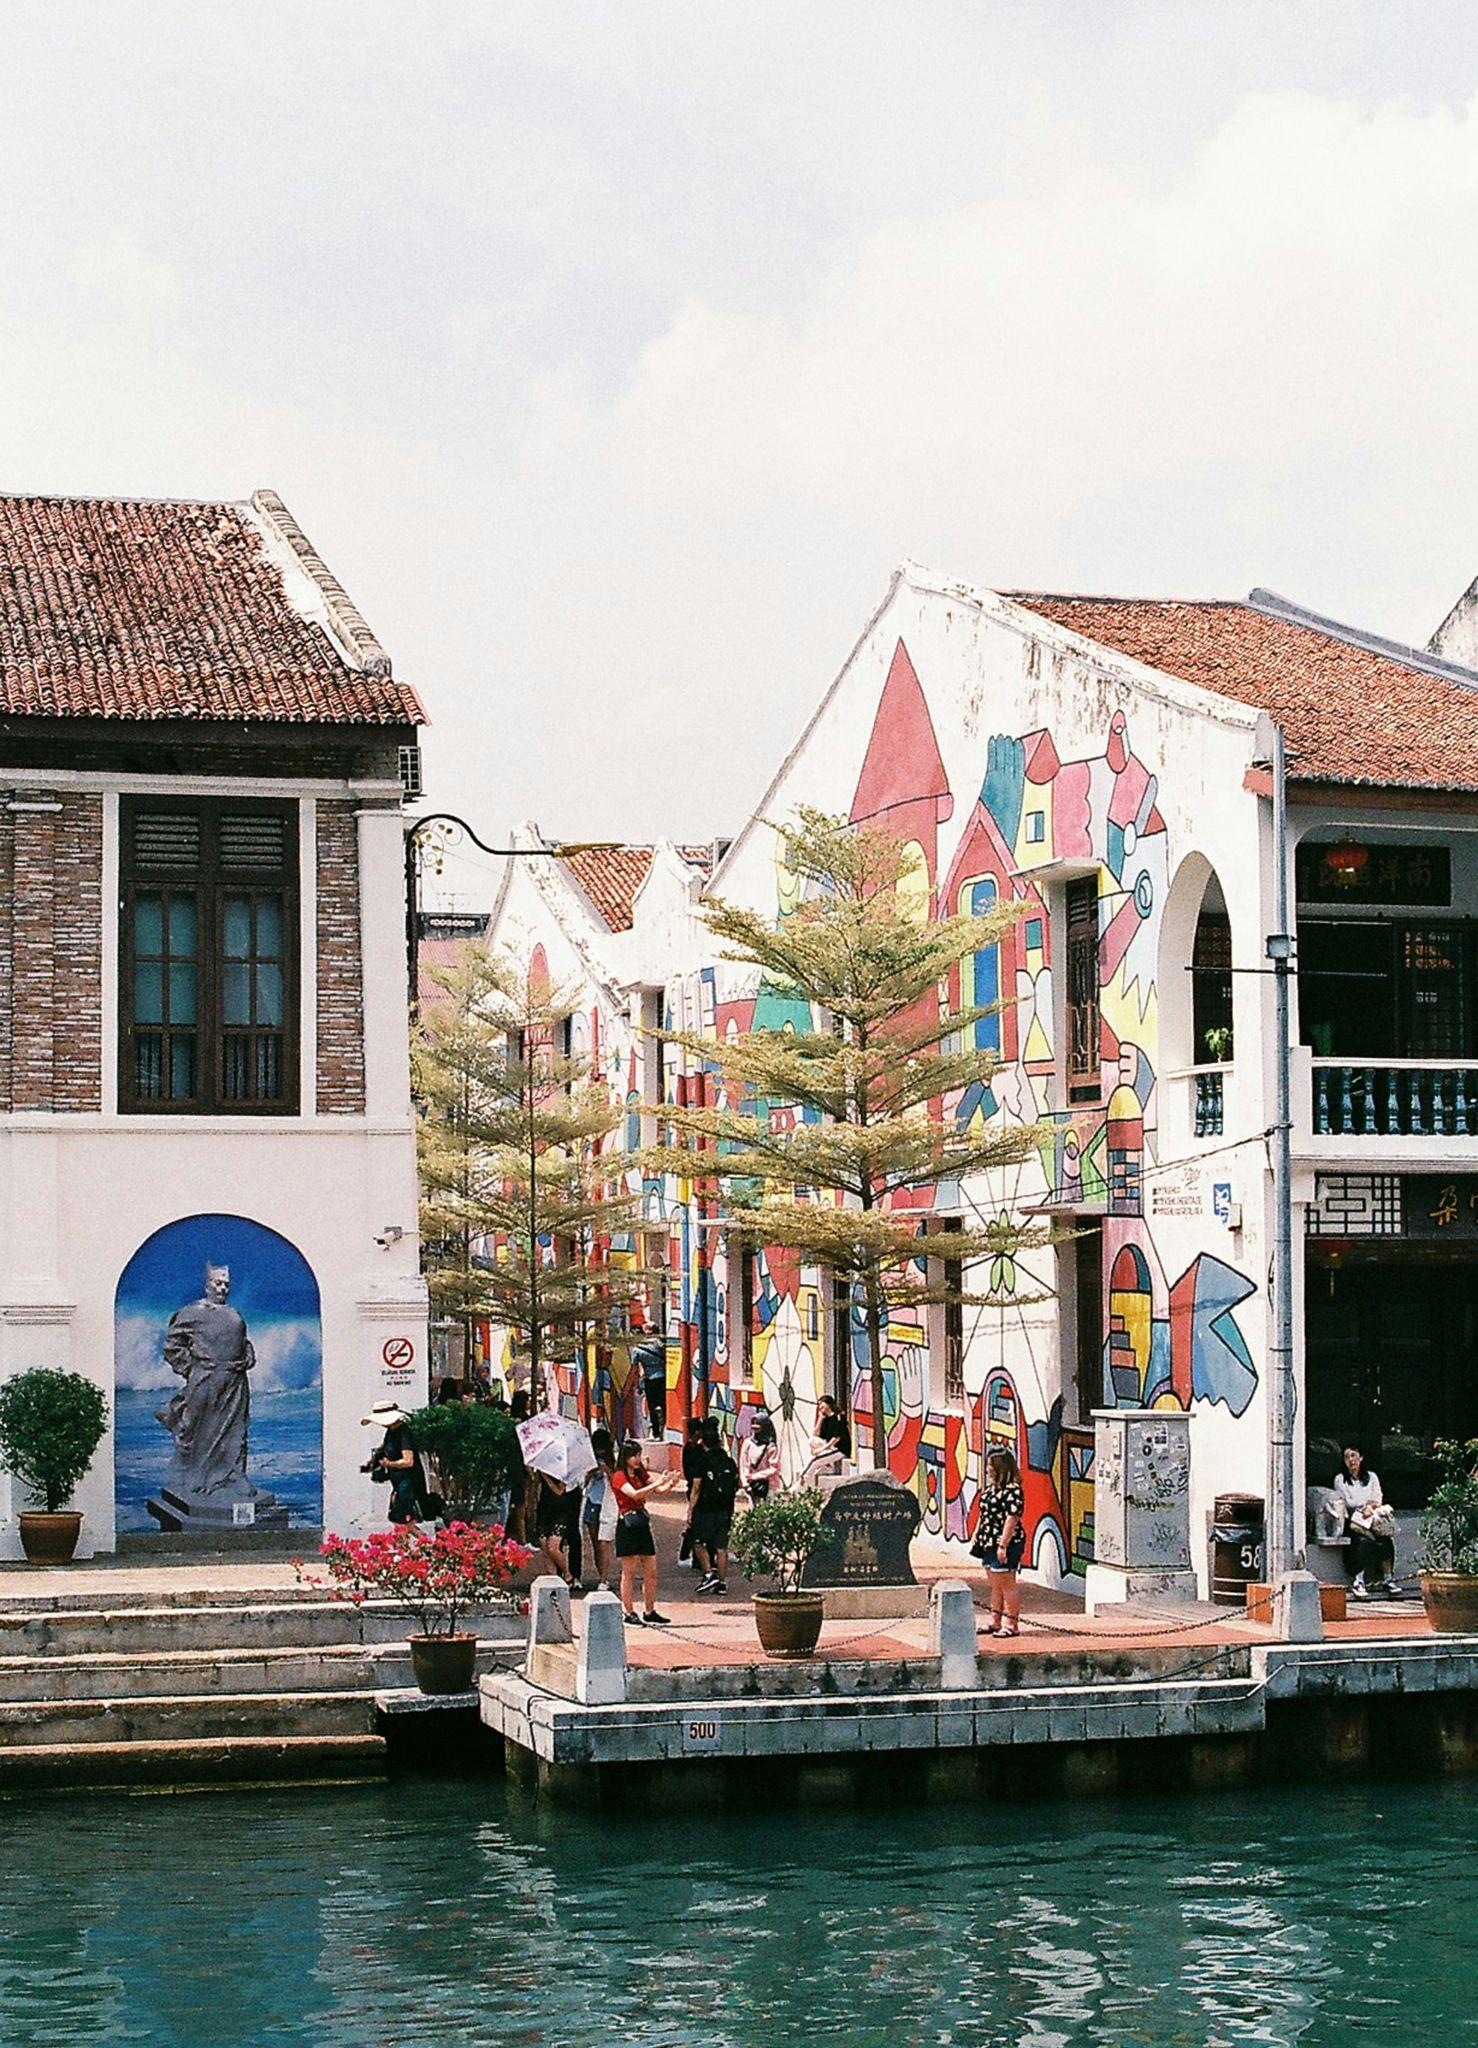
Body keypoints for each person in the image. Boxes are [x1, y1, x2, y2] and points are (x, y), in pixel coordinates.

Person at [612, 1441, 675, 1626]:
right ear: (625, 1457)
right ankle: (629, 1611)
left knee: (651, 1569)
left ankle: (650, 1609)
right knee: (629, 1571)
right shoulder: (619, 1476)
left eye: (639, 1455)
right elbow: (634, 1494)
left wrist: (670, 1483)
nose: (638, 1459)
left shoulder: (640, 1473)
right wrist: (657, 1484)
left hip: (641, 1523)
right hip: (627, 1524)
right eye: (635, 1456)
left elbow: (658, 1490)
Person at [975, 1446, 1026, 1638]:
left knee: (1006, 1582)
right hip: (987, 1539)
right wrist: (976, 1534)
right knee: (995, 1583)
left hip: (1004, 1540)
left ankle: (1011, 1623)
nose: (987, 1469)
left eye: (990, 1465)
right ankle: (995, 1621)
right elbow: (983, 1513)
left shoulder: (1013, 1491)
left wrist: (1003, 1544)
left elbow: (1012, 1517)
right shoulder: (990, 1490)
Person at [1335, 1445, 1398, 1598]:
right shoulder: (1340, 1479)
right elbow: (1348, 1502)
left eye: (1354, 1455)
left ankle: (1388, 1579)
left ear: (1361, 1458)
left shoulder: (1372, 1477)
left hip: (1372, 1519)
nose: (1351, 1460)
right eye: (1347, 1457)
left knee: (1385, 1541)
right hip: (1354, 1521)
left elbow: (1378, 1498)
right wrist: (1366, 1505)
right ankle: (1359, 1581)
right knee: (1362, 1543)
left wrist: (1369, 1507)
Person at [361, 1401, 431, 1526]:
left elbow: (408, 1461)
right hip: (399, 1485)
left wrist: (389, 1464)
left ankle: (429, 1544)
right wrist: (371, 1463)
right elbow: (382, 1449)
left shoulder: (403, 1434)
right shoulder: (391, 1432)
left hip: (409, 1485)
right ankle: (415, 1544)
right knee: (400, 1523)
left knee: (403, 1523)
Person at [693, 1418, 741, 1595]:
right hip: (725, 1508)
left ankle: (708, 1574)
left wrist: (690, 1510)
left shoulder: (702, 1461)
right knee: (722, 1548)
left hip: (705, 1508)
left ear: (703, 1443)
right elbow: (738, 1484)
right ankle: (722, 1583)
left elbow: (696, 1488)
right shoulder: (729, 1461)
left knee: (698, 1542)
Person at [534, 1469, 585, 1590]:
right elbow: (535, 1488)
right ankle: (553, 1579)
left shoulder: (564, 1471)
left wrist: (546, 1476)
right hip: (544, 1508)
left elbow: (559, 1491)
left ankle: (568, 1574)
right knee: (545, 1548)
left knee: (553, 1547)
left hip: (561, 1509)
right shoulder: (542, 1467)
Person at [583, 1427, 619, 1589]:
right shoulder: (588, 1459)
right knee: (596, 1543)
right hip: (591, 1502)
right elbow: (582, 1484)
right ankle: (601, 1576)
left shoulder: (613, 1461)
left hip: (607, 1504)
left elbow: (617, 1484)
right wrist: (590, 1473)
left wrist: (607, 1471)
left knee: (605, 1542)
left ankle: (604, 1579)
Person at [679, 1416, 708, 1566]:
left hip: (692, 1487)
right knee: (694, 1523)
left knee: (695, 1523)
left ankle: (688, 1555)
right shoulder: (695, 1450)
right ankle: (687, 1555)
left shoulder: (687, 1448)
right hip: (695, 1488)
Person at [804, 1395, 852, 1481]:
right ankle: (828, 1466)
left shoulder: (838, 1417)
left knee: (815, 1461)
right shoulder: (826, 1419)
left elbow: (836, 1438)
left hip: (840, 1449)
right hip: (831, 1447)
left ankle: (802, 1481)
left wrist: (821, 1450)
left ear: (828, 1404)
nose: (820, 1407)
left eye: (821, 1404)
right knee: (812, 1440)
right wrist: (820, 1418)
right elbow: (815, 1434)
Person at [739, 1410, 781, 1504]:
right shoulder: (748, 1443)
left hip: (769, 1486)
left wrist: (756, 1476)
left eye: (758, 1424)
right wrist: (745, 1482)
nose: (755, 1426)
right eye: (753, 1423)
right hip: (752, 1485)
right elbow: (743, 1464)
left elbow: (774, 1468)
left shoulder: (770, 1446)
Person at [635, 1339, 668, 1439]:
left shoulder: (637, 1350)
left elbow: (634, 1369)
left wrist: (637, 1385)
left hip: (649, 1379)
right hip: (662, 1377)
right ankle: (665, 1425)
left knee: (652, 1406)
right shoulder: (658, 1342)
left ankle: (656, 1432)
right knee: (663, 1403)